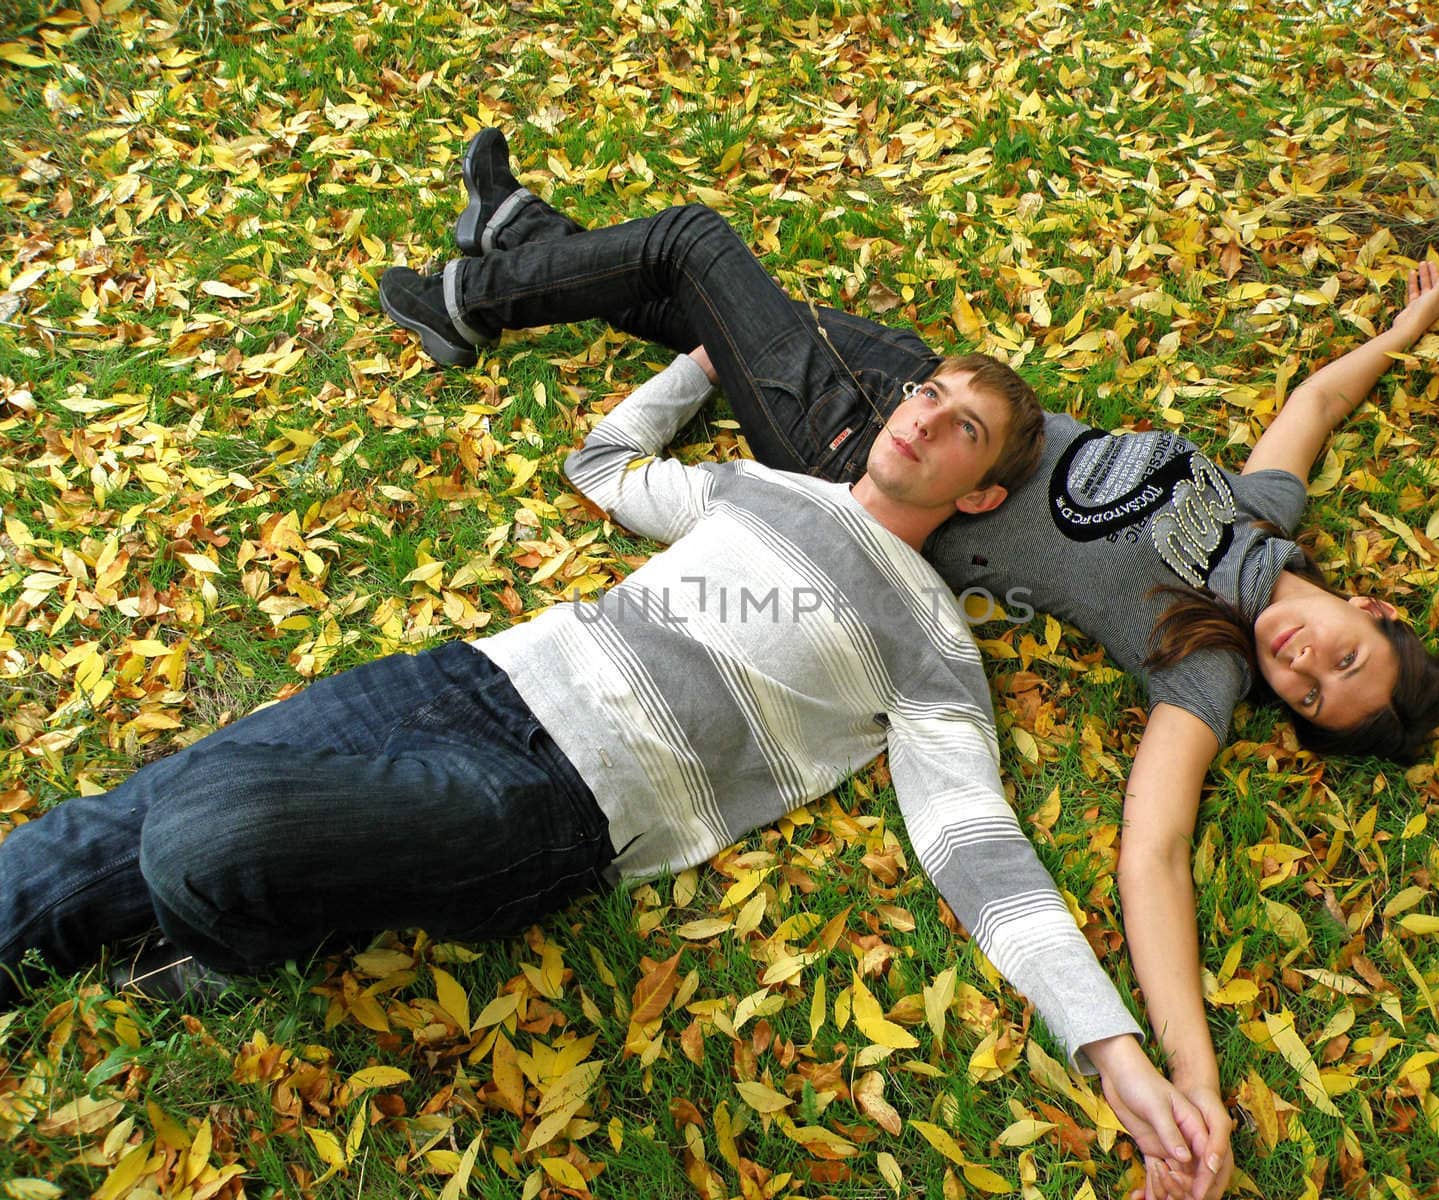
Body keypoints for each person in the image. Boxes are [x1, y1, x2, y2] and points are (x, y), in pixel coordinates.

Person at [376, 127, 1439, 1200]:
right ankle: (523, 233)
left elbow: (1157, 851)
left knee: (693, 252)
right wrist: (1411, 322)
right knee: (714, 316)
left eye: (1312, 698)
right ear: (1366, 605)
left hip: (873, 464)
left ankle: (467, 297)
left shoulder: (1200, 664)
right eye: (1343, 654)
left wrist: (1192, 1073)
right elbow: (1316, 403)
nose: (1302, 666)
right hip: (949, 408)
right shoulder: (1265, 509)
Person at [0, 292, 1222, 1187]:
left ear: (979, 495)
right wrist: (694, 361)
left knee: (211, 828)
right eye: (927, 394)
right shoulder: (762, 490)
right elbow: (605, 464)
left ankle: (235, 935)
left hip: (547, 799)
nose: (926, 420)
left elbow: (980, 855)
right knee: (101, 830)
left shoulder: (937, 652)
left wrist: (1113, 1051)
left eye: (962, 428)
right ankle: (229, 898)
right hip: (467, 680)